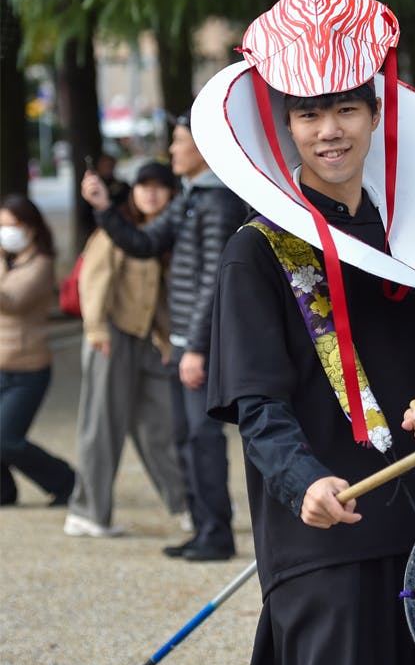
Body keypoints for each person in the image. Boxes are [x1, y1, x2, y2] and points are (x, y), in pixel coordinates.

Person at [197, 0, 415, 665]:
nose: (329, 131)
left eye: (345, 110)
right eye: (309, 115)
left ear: (375, 114)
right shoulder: (257, 251)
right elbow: (257, 405)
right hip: (325, 536)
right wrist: (302, 482)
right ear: (286, 126)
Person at [82, 115, 249, 561]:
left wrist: (196, 347)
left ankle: (216, 534)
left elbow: (215, 280)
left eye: (178, 141)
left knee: (202, 437)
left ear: (204, 146)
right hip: (179, 342)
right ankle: (201, 527)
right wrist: (103, 207)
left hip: (197, 345)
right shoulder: (192, 197)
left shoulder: (218, 201)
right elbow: (144, 243)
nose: (172, 150)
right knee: (183, 437)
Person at [64, 162, 189, 537]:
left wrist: (166, 340)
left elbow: (161, 300)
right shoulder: (116, 229)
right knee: (102, 425)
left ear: (172, 194)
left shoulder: (166, 235)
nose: (150, 193)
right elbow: (94, 281)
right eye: (142, 186)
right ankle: (87, 512)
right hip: (111, 336)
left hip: (145, 340)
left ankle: (187, 503)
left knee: (160, 424)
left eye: (158, 187)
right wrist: (96, 329)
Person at [1, 195, 77, 507]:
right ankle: (4, 492)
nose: (5, 232)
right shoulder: (4, 260)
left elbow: (12, 301)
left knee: (7, 439)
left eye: (11, 225)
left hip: (27, 370)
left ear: (30, 229)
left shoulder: (42, 264)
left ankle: (67, 481)